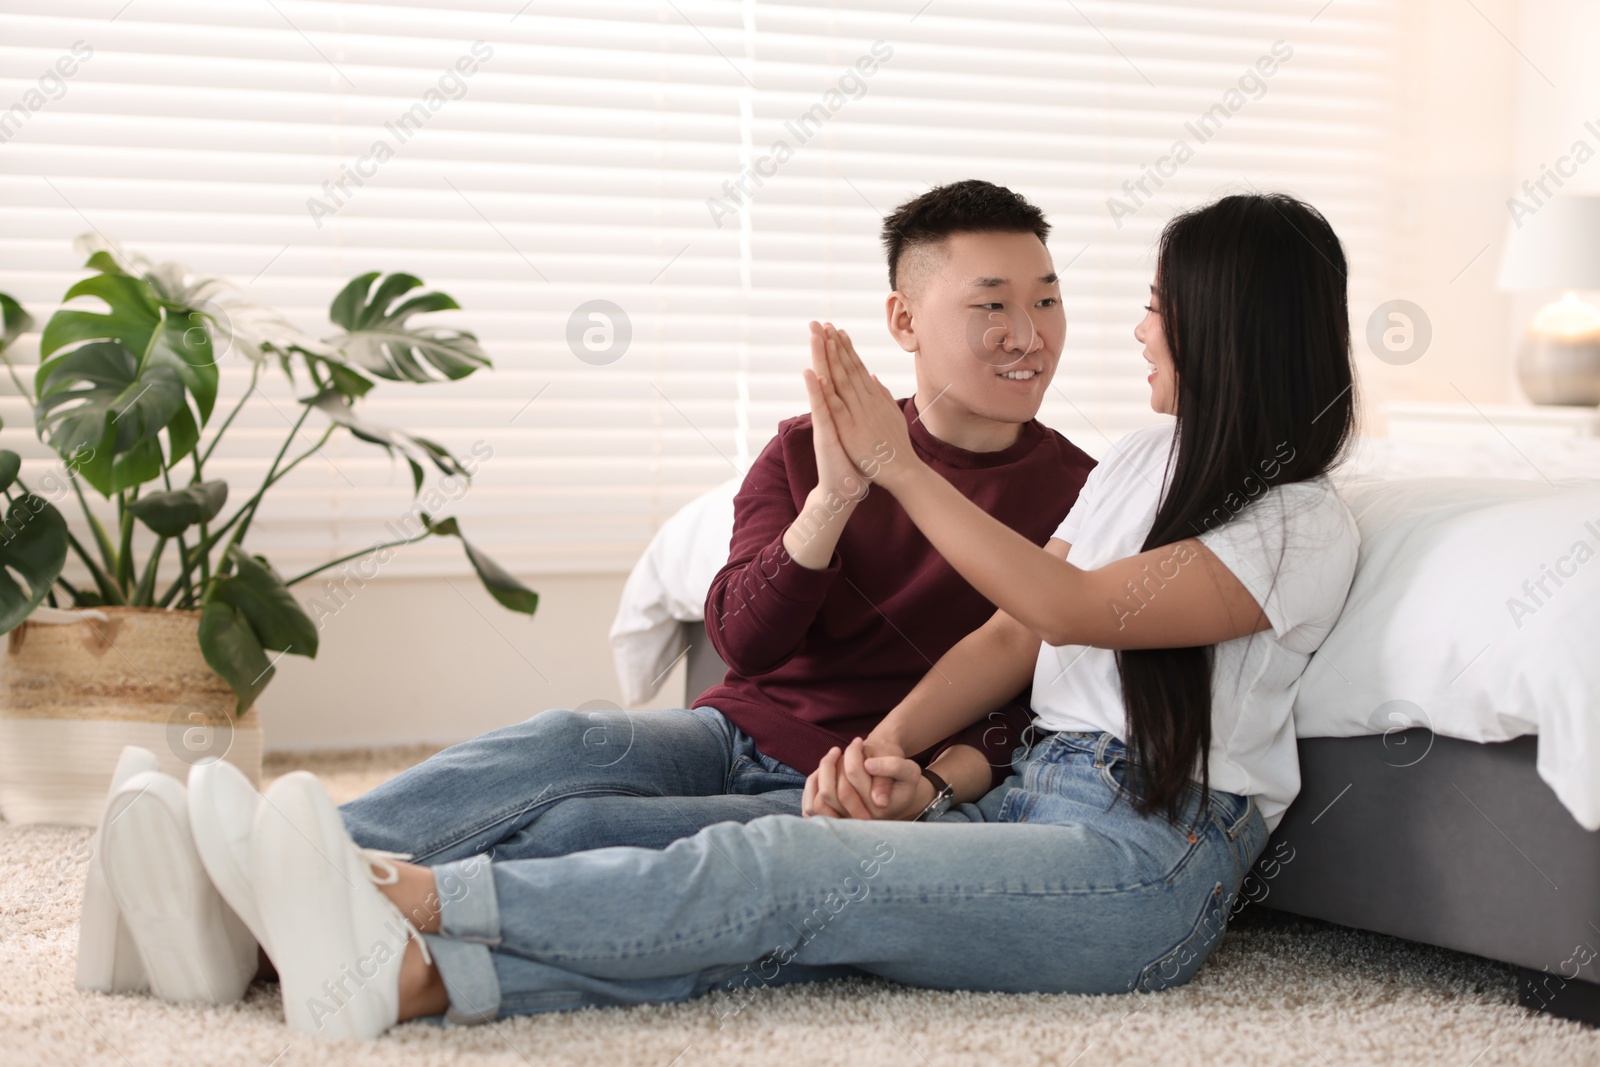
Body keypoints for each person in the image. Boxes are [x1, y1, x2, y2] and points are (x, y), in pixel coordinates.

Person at [102, 191, 1363, 1042]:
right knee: (654, 824)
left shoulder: (1301, 521)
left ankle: (386, 894)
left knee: (775, 870)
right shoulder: (1145, 464)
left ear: (1224, 323)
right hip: (1024, 792)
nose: (1122, 322)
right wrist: (891, 749)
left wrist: (896, 469)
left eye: (1152, 300)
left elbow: (1068, 605)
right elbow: (1003, 642)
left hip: (1150, 862)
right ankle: (343, 946)